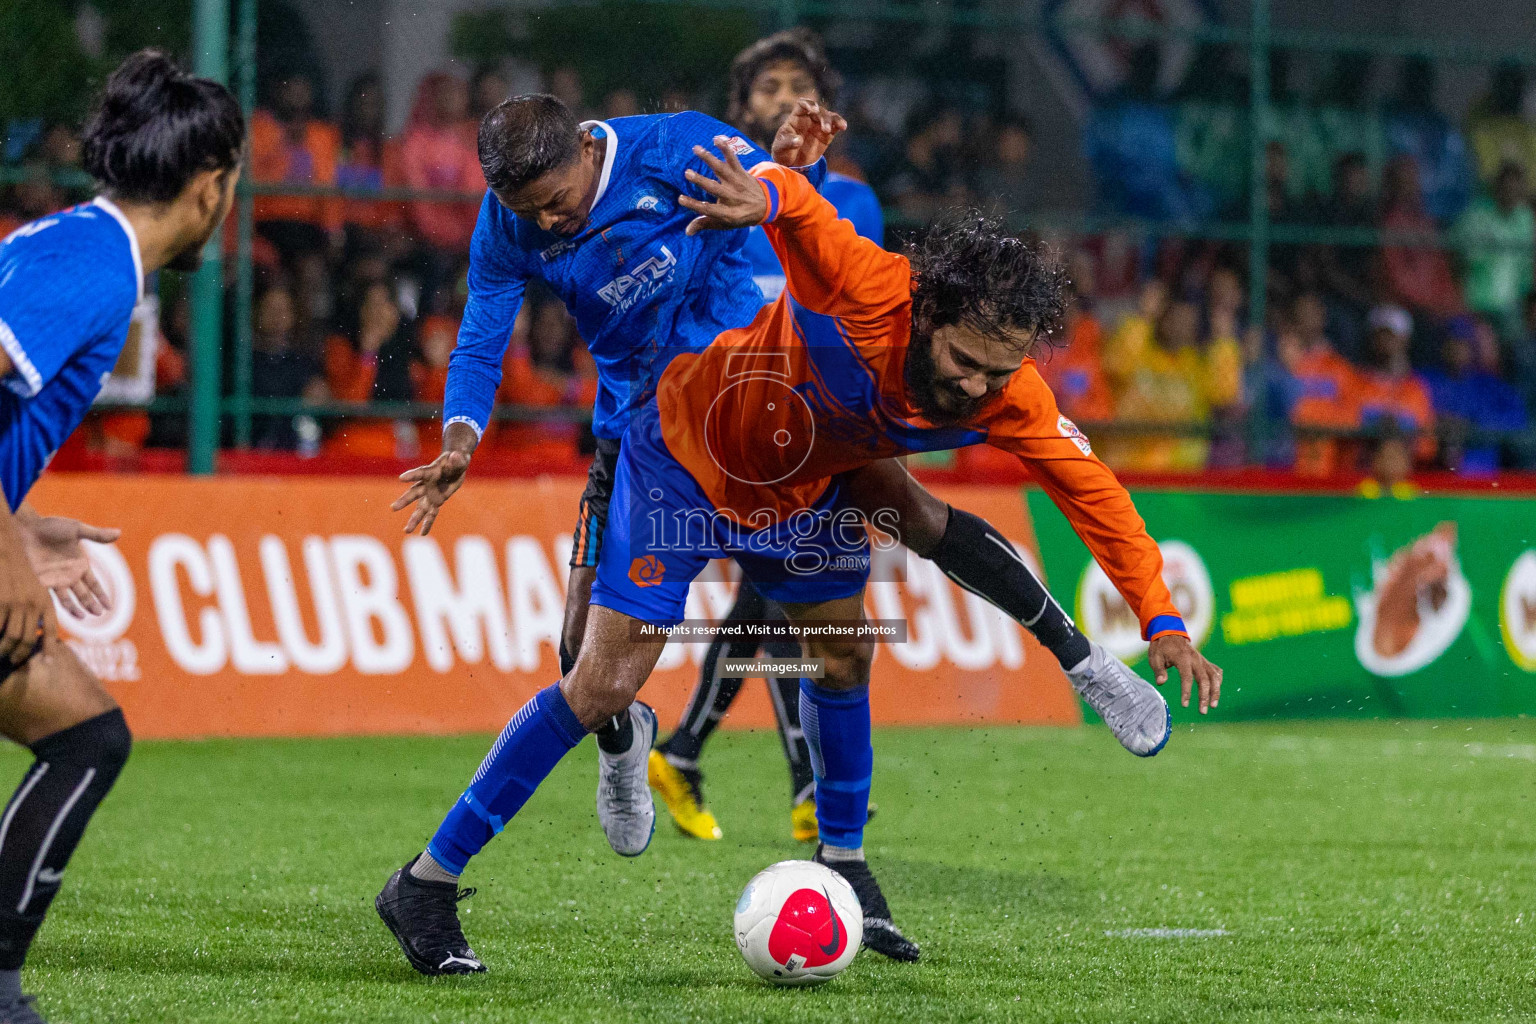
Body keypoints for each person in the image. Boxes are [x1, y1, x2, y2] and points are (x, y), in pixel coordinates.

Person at [381, 139, 1222, 977]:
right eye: (965, 361)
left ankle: (846, 860)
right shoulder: (869, 291)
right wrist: (768, 192)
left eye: (996, 373)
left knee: (847, 651)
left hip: (799, 490)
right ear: (928, 316)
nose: (974, 388)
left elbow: (1096, 495)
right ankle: (426, 881)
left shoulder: (1011, 394)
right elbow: (803, 209)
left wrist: (1162, 617)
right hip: (683, 453)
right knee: (599, 683)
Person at [0, 51, 242, 1022]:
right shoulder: (97, 268)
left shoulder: (80, 251)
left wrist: (20, 521)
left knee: (84, 734)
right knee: (85, 736)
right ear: (208, 185)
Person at [651, 28, 888, 844]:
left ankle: (685, 753)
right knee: (788, 599)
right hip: (730, 422)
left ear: (822, 100)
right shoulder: (715, 190)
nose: (782, 98)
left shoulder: (853, 201)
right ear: (740, 105)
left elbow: (859, 309)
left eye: (798, 83)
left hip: (818, 428)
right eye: (766, 87)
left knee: (771, 604)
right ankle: (802, 788)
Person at [1452, 161, 1534, 339]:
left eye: (1516, 190)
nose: (1511, 194)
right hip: (1477, 303)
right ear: (1498, 188)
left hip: (1512, 304)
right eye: (1507, 189)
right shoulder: (1476, 215)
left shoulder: (1525, 219)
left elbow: (1527, 265)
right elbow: (1460, 261)